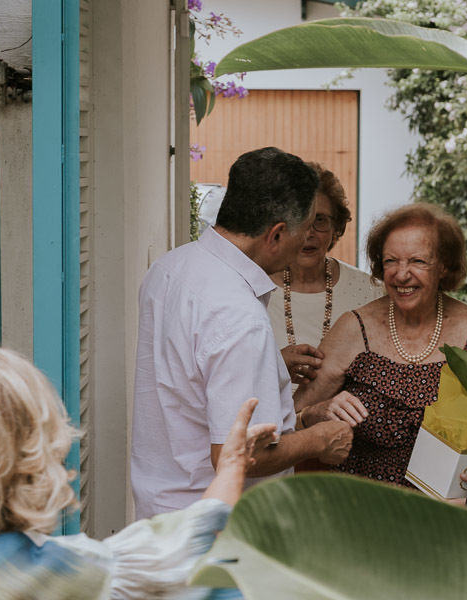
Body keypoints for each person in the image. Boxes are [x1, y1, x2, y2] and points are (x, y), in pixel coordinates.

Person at [0, 340, 274, 598]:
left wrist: (229, 465)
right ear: (30, 455)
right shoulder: (40, 574)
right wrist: (231, 466)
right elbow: (185, 550)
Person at [131, 147, 352, 519]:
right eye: (303, 232)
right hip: (214, 531)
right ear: (277, 235)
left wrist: (268, 367)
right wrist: (320, 438)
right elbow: (240, 455)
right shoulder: (239, 317)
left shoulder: (170, 268)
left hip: (161, 512)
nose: (306, 244)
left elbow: (187, 376)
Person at [293, 203, 467, 493]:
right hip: (358, 507)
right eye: (391, 261)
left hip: (444, 515)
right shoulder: (354, 327)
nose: (401, 275)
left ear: (444, 265)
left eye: (418, 261)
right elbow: (293, 416)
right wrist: (319, 411)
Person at [266, 162, 384, 387]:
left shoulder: (371, 291)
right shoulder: (255, 291)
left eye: (319, 220)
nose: (308, 234)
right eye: (298, 219)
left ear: (336, 226)